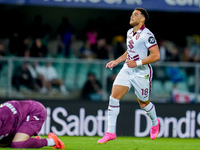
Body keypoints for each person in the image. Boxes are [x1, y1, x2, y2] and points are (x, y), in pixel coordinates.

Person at [97, 8, 161, 144]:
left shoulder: (147, 35)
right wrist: (117, 61)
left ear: (142, 19)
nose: (132, 16)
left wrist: (137, 63)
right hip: (127, 69)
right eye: (132, 14)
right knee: (113, 97)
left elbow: (156, 55)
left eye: (136, 15)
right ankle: (111, 132)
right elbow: (130, 50)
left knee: (144, 103)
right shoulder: (129, 32)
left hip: (142, 73)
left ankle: (155, 122)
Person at [0, 100, 65, 149]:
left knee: (18, 144)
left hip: (34, 111)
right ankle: (30, 141)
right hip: (16, 118)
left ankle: (52, 141)